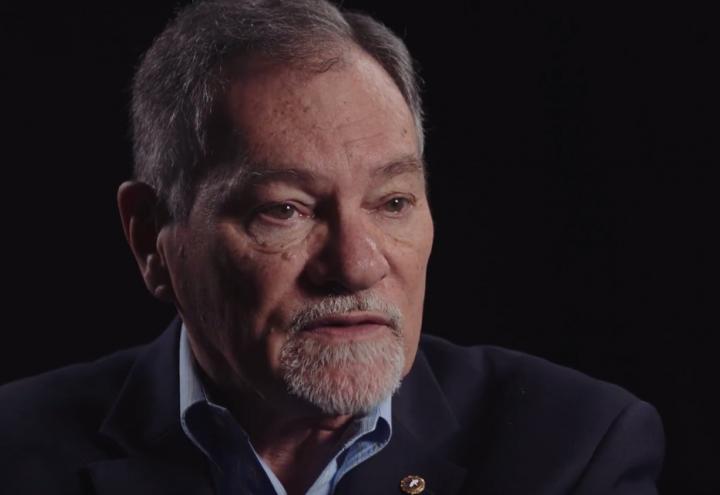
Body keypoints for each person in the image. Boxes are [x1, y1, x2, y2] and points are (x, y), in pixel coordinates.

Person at [0, 1, 664, 494]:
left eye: (393, 202)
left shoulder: (577, 451)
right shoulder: (18, 451)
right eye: (283, 210)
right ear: (151, 238)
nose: (356, 262)